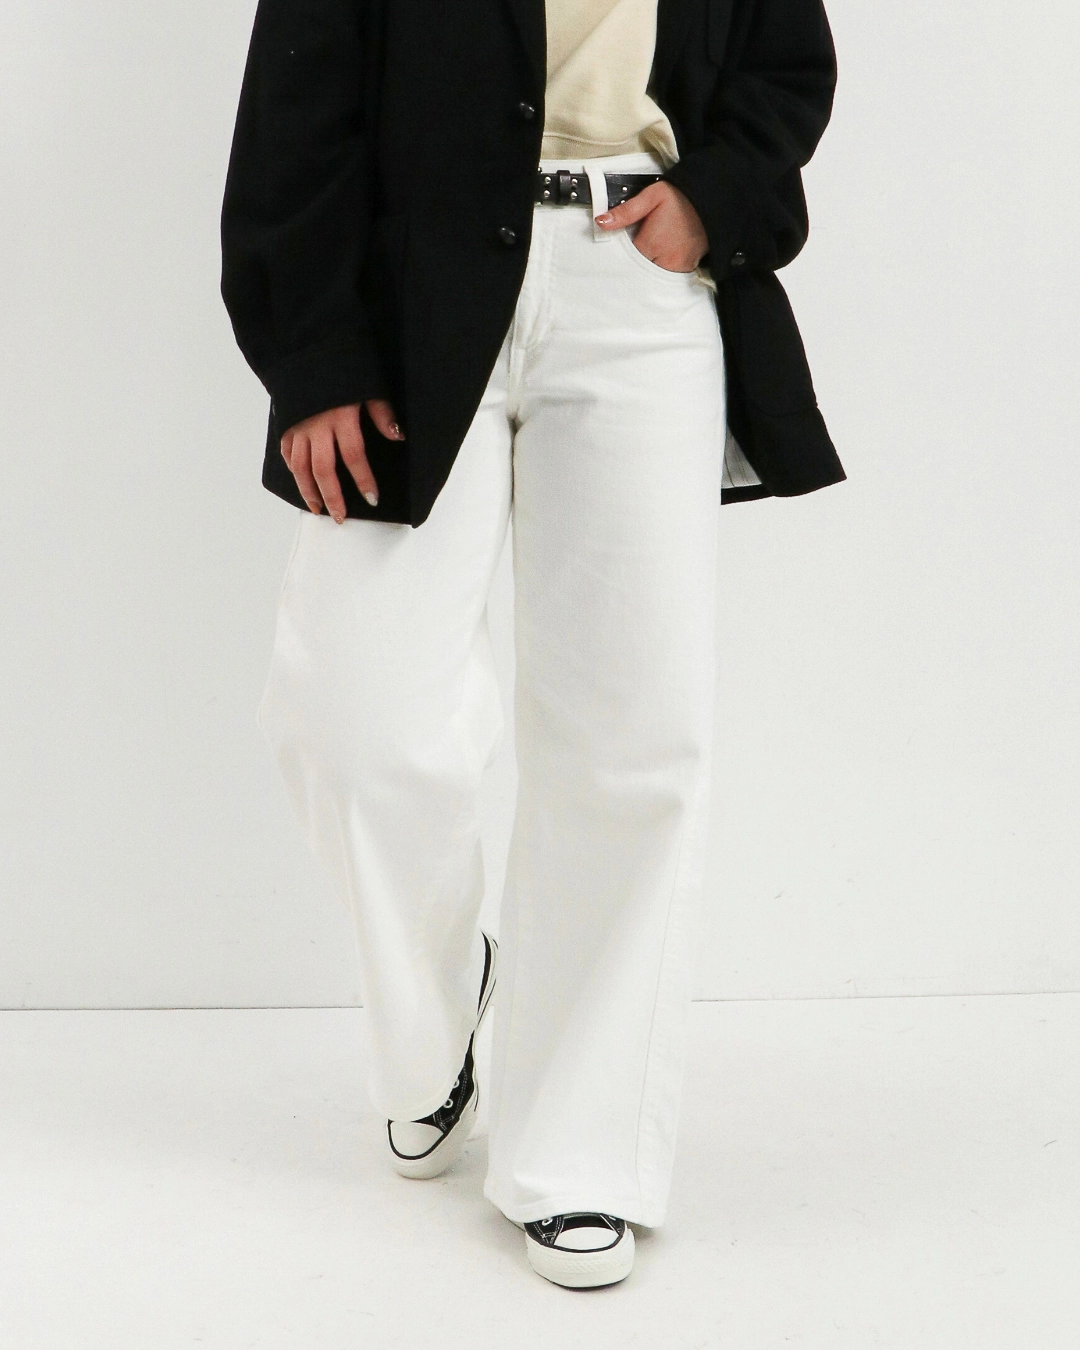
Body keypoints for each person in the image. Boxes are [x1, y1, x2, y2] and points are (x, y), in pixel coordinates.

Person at [220, 0, 844, 1289]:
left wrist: (712, 198)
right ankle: (443, 1012)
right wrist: (315, 352)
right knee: (352, 715)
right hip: (414, 283)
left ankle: (582, 1154)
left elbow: (786, 59)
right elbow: (298, 94)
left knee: (629, 736)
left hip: (639, 285)